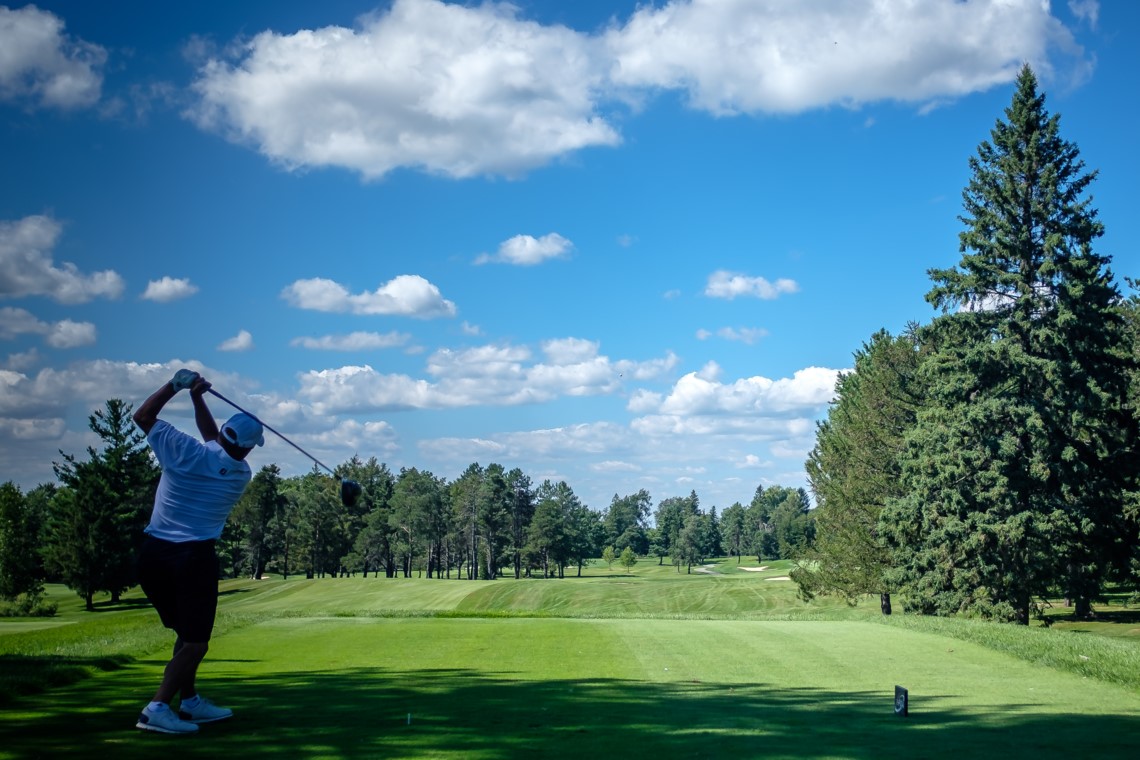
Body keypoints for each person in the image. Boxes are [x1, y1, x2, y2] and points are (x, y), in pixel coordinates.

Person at [131, 368, 264, 735]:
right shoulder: (240, 475)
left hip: (153, 555)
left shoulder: (182, 451)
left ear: (224, 435)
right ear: (249, 448)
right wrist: (197, 398)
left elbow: (143, 417)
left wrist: (180, 388)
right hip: (193, 560)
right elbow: (219, 447)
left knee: (185, 633)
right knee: (195, 643)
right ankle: (156, 707)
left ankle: (188, 701)